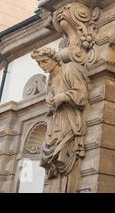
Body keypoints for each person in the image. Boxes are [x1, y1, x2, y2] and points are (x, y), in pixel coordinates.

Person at [31, 47, 88, 193]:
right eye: (39, 64)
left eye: (44, 61)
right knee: (49, 153)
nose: (42, 65)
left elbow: (81, 95)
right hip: (56, 120)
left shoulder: (68, 69)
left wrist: (64, 96)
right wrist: (51, 101)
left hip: (69, 119)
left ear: (54, 59)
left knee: (62, 152)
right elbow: (51, 103)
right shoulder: (50, 78)